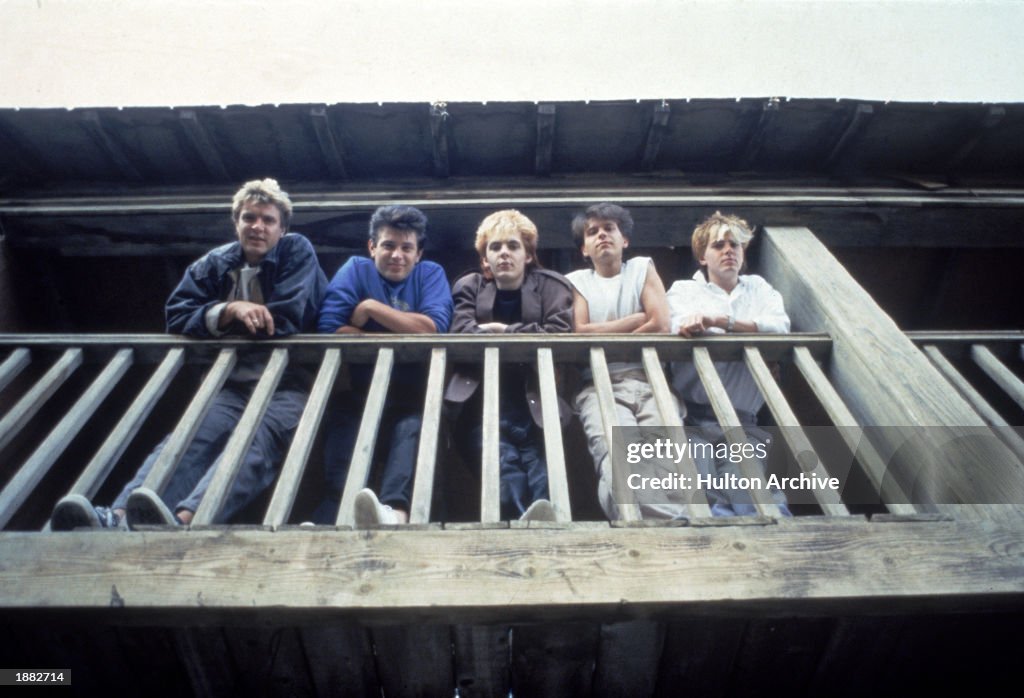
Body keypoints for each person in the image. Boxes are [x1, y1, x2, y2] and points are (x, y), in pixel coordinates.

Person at [52, 178, 327, 530]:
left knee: (254, 445)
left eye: (268, 220)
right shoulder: (214, 263)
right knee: (188, 439)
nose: (257, 226)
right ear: (236, 223)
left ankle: (185, 521)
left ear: (282, 228)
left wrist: (217, 318)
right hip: (230, 381)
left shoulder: (295, 250)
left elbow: (285, 319)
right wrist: (229, 310)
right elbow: (176, 315)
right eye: (249, 218)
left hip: (288, 383)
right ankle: (119, 517)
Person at [315, 205, 452, 526]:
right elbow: (330, 330)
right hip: (361, 391)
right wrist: (403, 323)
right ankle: (333, 517)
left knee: (414, 427)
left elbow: (432, 329)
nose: (397, 255)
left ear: (419, 254)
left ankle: (395, 513)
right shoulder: (356, 269)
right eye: (388, 245)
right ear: (372, 247)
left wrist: (370, 308)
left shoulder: (429, 273)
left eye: (407, 248)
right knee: (343, 433)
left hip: (414, 394)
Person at [444, 210, 574, 521]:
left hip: (534, 403)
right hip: (478, 403)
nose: (504, 253)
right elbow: (461, 333)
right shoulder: (470, 286)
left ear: (528, 255)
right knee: (502, 472)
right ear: (484, 259)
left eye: (513, 246)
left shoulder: (551, 285)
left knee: (542, 476)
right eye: (495, 247)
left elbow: (560, 332)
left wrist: (504, 331)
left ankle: (546, 534)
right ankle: (520, 527)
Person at [667, 211, 792, 516]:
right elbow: (674, 325)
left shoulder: (758, 288)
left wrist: (720, 321)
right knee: (707, 500)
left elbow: (779, 326)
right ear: (702, 257)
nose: (728, 251)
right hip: (695, 417)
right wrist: (698, 325)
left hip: (743, 416)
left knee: (756, 496)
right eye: (719, 245)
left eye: (735, 245)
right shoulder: (684, 290)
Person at [566, 202, 686, 520]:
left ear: (625, 240)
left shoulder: (641, 267)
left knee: (668, 459)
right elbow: (580, 332)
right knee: (617, 455)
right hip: (600, 384)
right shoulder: (578, 280)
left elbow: (660, 324)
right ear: (584, 249)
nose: (602, 235)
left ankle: (672, 528)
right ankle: (648, 527)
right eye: (593, 232)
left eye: (610, 228)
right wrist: (635, 320)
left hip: (650, 380)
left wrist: (604, 335)